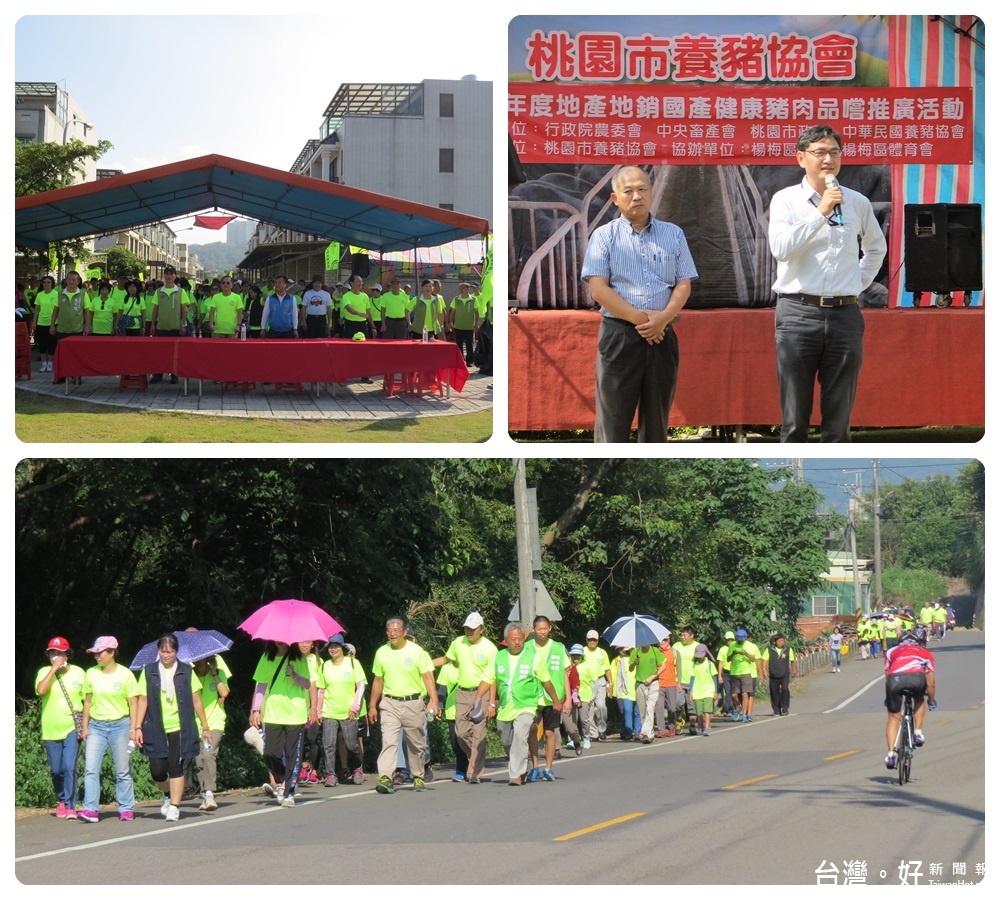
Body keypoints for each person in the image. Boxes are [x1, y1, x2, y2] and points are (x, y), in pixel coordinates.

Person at [768, 124, 887, 442]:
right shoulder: (786, 201)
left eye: (834, 152)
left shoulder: (857, 202)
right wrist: (820, 211)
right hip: (797, 314)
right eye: (819, 152)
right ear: (801, 158)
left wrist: (857, 283)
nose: (828, 159)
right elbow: (780, 248)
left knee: (838, 423)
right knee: (794, 421)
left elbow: (876, 248)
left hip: (845, 316)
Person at [581, 165, 698, 442]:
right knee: (613, 421)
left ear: (652, 192)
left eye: (642, 189)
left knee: (658, 421)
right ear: (615, 198)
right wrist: (642, 320)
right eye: (629, 191)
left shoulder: (674, 234)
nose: (637, 196)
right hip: (620, 335)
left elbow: (684, 283)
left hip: (663, 335)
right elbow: (599, 289)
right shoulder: (604, 236)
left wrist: (664, 318)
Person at [135, 634, 212, 823]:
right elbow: (143, 700)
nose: (166, 655)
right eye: (163, 651)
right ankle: (168, 794)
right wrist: (136, 727)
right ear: (158, 651)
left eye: (170, 651)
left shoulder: (186, 671)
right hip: (155, 727)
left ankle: (175, 807)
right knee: (158, 771)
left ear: (176, 652)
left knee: (176, 767)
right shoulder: (149, 671)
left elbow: (196, 699)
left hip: (180, 726)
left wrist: (205, 726)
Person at [476, 622, 558, 786]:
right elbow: (487, 679)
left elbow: (546, 681)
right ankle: (522, 765)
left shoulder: (533, 657)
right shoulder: (498, 657)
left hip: (526, 705)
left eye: (520, 638)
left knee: (520, 735)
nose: (517, 642)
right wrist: (477, 699)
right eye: (513, 639)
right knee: (506, 740)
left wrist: (556, 700)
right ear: (507, 640)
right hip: (506, 707)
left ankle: (516, 774)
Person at [368, 617, 440, 794]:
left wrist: (434, 700)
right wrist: (372, 705)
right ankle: (386, 777)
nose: (392, 633)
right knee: (389, 741)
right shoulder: (382, 653)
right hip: (390, 703)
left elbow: (427, 677)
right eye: (389, 630)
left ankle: (417, 776)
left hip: (413, 702)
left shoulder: (417, 652)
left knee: (416, 743)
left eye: (396, 630)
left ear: (404, 632)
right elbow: (378, 680)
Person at [248, 640, 319, 808]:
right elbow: (261, 685)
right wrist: (256, 709)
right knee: (270, 752)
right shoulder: (267, 657)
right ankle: (281, 781)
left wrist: (295, 676)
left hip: (295, 713)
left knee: (293, 755)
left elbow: (308, 684)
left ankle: (289, 792)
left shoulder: (299, 658)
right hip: (273, 713)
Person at [79, 636, 140, 823]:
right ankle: (90, 809)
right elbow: (87, 701)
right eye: (95, 653)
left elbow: (134, 703)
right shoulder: (91, 674)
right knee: (90, 768)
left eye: (101, 652)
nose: (97, 656)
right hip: (96, 726)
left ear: (112, 652)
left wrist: (133, 728)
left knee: (122, 770)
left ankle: (126, 808)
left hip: (120, 725)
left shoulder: (126, 674)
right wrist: (85, 726)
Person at [438, 611, 497, 784]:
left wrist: (492, 702)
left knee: (479, 734)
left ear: (481, 629)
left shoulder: (489, 648)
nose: (469, 632)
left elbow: (493, 678)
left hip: (482, 693)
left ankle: (474, 773)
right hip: (462, 693)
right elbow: (445, 659)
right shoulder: (458, 643)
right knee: (461, 733)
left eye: (473, 629)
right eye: (466, 628)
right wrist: (422, 666)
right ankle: (476, 756)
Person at [35, 637, 86, 819]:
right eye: (52, 653)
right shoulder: (43, 672)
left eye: (60, 653)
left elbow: (86, 699)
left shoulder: (79, 673)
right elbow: (41, 691)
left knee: (69, 766)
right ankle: (62, 800)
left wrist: (86, 724)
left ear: (67, 654)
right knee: (56, 769)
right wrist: (54, 669)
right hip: (51, 728)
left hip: (72, 726)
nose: (56, 656)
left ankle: (71, 805)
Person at [317, 633, 366, 787]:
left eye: (336, 646)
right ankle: (330, 774)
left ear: (342, 648)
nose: (333, 649)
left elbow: (361, 685)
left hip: (348, 712)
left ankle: (357, 768)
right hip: (329, 711)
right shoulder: (324, 666)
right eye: (331, 646)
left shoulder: (352, 663)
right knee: (329, 744)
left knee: (351, 744)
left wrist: (355, 705)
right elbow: (321, 690)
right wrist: (318, 710)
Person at [526, 615, 572, 781]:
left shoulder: (558, 648)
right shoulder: (527, 647)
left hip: (554, 698)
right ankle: (535, 766)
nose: (543, 632)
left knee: (549, 732)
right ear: (533, 629)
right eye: (539, 629)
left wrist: (568, 698)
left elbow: (565, 674)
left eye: (545, 628)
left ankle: (548, 768)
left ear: (550, 628)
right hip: (532, 696)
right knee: (531, 730)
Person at [883, 630, 936, 769]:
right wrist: (931, 699)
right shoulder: (925, 652)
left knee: (893, 718)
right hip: (916, 679)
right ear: (917, 642)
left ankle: (890, 755)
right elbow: (930, 683)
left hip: (894, 680)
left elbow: (887, 677)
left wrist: (888, 697)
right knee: (919, 699)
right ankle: (917, 733)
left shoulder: (891, 651)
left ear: (899, 643)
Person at [191, 653, 230, 811]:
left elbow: (224, 693)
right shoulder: (188, 675)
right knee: (199, 760)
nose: (200, 662)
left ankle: (209, 792)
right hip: (195, 724)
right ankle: (204, 794)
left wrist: (214, 673)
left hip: (214, 722)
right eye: (197, 659)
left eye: (203, 658)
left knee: (208, 754)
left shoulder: (217, 672)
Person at [150, 265, 188, 384]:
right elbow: (155, 309)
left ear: (175, 275)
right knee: (159, 353)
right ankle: (158, 375)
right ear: (164, 275)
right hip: (161, 327)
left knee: (174, 353)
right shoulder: (158, 291)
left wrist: (183, 325)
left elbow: (184, 310)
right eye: (167, 273)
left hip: (175, 327)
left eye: (171, 274)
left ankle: (174, 374)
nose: (169, 276)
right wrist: (152, 325)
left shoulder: (181, 292)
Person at [436, 657, 468, 782]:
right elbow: (442, 691)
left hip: (467, 709)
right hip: (451, 710)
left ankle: (465, 768)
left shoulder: (469, 666)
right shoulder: (446, 668)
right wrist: (439, 706)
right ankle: (462, 768)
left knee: (464, 738)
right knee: (455, 742)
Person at [628, 641, 666, 743]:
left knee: (650, 708)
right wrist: (634, 663)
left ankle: (645, 734)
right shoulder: (635, 652)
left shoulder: (655, 651)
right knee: (643, 712)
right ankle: (650, 734)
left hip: (653, 683)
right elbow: (630, 669)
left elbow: (663, 666)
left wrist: (654, 676)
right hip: (640, 684)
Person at [727, 629, 764, 722]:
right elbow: (728, 659)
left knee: (747, 694)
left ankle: (747, 714)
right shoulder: (732, 645)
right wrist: (733, 653)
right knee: (734, 694)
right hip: (735, 672)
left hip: (749, 672)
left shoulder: (752, 646)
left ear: (746, 637)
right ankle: (739, 707)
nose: (740, 640)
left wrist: (761, 673)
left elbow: (756, 660)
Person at [582, 630, 612, 743]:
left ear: (598, 640)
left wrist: (610, 684)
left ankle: (602, 729)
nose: (592, 641)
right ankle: (593, 733)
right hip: (587, 682)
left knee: (600, 706)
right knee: (589, 709)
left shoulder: (602, 652)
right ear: (586, 640)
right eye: (590, 639)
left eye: (594, 639)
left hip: (600, 681)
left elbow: (607, 670)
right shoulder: (582, 651)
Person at [673, 626, 700, 734]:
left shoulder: (697, 646)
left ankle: (692, 725)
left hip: (693, 682)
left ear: (691, 636)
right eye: (681, 635)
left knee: (691, 706)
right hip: (679, 681)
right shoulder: (676, 646)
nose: (682, 637)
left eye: (684, 635)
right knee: (676, 704)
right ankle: (679, 720)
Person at [687, 644, 719, 735]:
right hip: (697, 691)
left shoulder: (710, 664)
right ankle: (700, 724)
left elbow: (714, 678)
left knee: (707, 710)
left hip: (709, 689)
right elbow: (692, 678)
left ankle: (707, 727)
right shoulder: (694, 664)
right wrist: (691, 691)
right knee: (699, 712)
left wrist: (715, 691)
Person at [609, 645, 639, 740]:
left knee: (637, 712)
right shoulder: (621, 660)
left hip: (638, 688)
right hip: (626, 690)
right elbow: (619, 677)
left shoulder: (639, 659)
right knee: (627, 711)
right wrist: (618, 691)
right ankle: (629, 731)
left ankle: (638, 731)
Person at [564, 644, 589, 754]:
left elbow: (575, 684)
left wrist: (574, 697)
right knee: (552, 728)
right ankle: (555, 750)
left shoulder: (571, 668)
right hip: (551, 700)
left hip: (567, 700)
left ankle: (577, 741)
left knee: (571, 727)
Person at [31, 275, 59, 372]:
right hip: (41, 323)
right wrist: (34, 321)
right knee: (42, 344)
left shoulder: (56, 294)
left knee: (51, 343)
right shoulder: (40, 295)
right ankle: (44, 364)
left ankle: (50, 364)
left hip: (53, 322)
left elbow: (58, 309)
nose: (46, 284)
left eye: (48, 282)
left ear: (52, 284)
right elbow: (37, 309)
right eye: (44, 282)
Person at [763, 634, 797, 716]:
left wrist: (794, 670)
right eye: (779, 641)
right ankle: (776, 709)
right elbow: (765, 660)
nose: (782, 642)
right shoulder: (769, 649)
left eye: (783, 640)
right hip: (774, 674)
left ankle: (785, 708)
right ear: (775, 642)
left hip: (784, 674)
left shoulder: (788, 649)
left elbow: (792, 660)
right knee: (774, 692)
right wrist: (764, 669)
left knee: (785, 689)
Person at [654, 635, 679, 737]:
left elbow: (679, 668)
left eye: (665, 639)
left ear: (669, 640)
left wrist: (679, 682)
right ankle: (661, 729)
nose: (662, 641)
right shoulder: (655, 652)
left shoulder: (674, 652)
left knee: (672, 708)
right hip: (659, 683)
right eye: (661, 639)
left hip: (672, 683)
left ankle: (672, 726)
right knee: (659, 708)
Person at [448, 282, 479, 365]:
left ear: (467, 290)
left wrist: (476, 324)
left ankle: (469, 361)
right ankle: (460, 360)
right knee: (459, 344)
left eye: (463, 288)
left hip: (469, 326)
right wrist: (450, 322)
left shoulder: (473, 299)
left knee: (469, 344)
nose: (461, 290)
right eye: (460, 288)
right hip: (458, 326)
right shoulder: (456, 299)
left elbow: (476, 312)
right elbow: (452, 312)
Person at [340, 274, 374, 339]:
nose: (361, 283)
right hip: (350, 325)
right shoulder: (346, 296)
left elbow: (368, 312)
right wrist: (359, 314)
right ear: (351, 283)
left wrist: (373, 327)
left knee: (363, 346)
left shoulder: (365, 296)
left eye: (361, 281)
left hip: (362, 325)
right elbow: (349, 308)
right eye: (358, 281)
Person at [716, 630, 737, 717]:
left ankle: (738, 706)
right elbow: (721, 662)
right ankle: (730, 709)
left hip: (736, 672)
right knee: (727, 691)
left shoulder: (737, 647)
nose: (730, 641)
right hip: (726, 673)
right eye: (728, 640)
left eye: (731, 639)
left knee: (736, 691)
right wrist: (719, 675)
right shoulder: (723, 649)